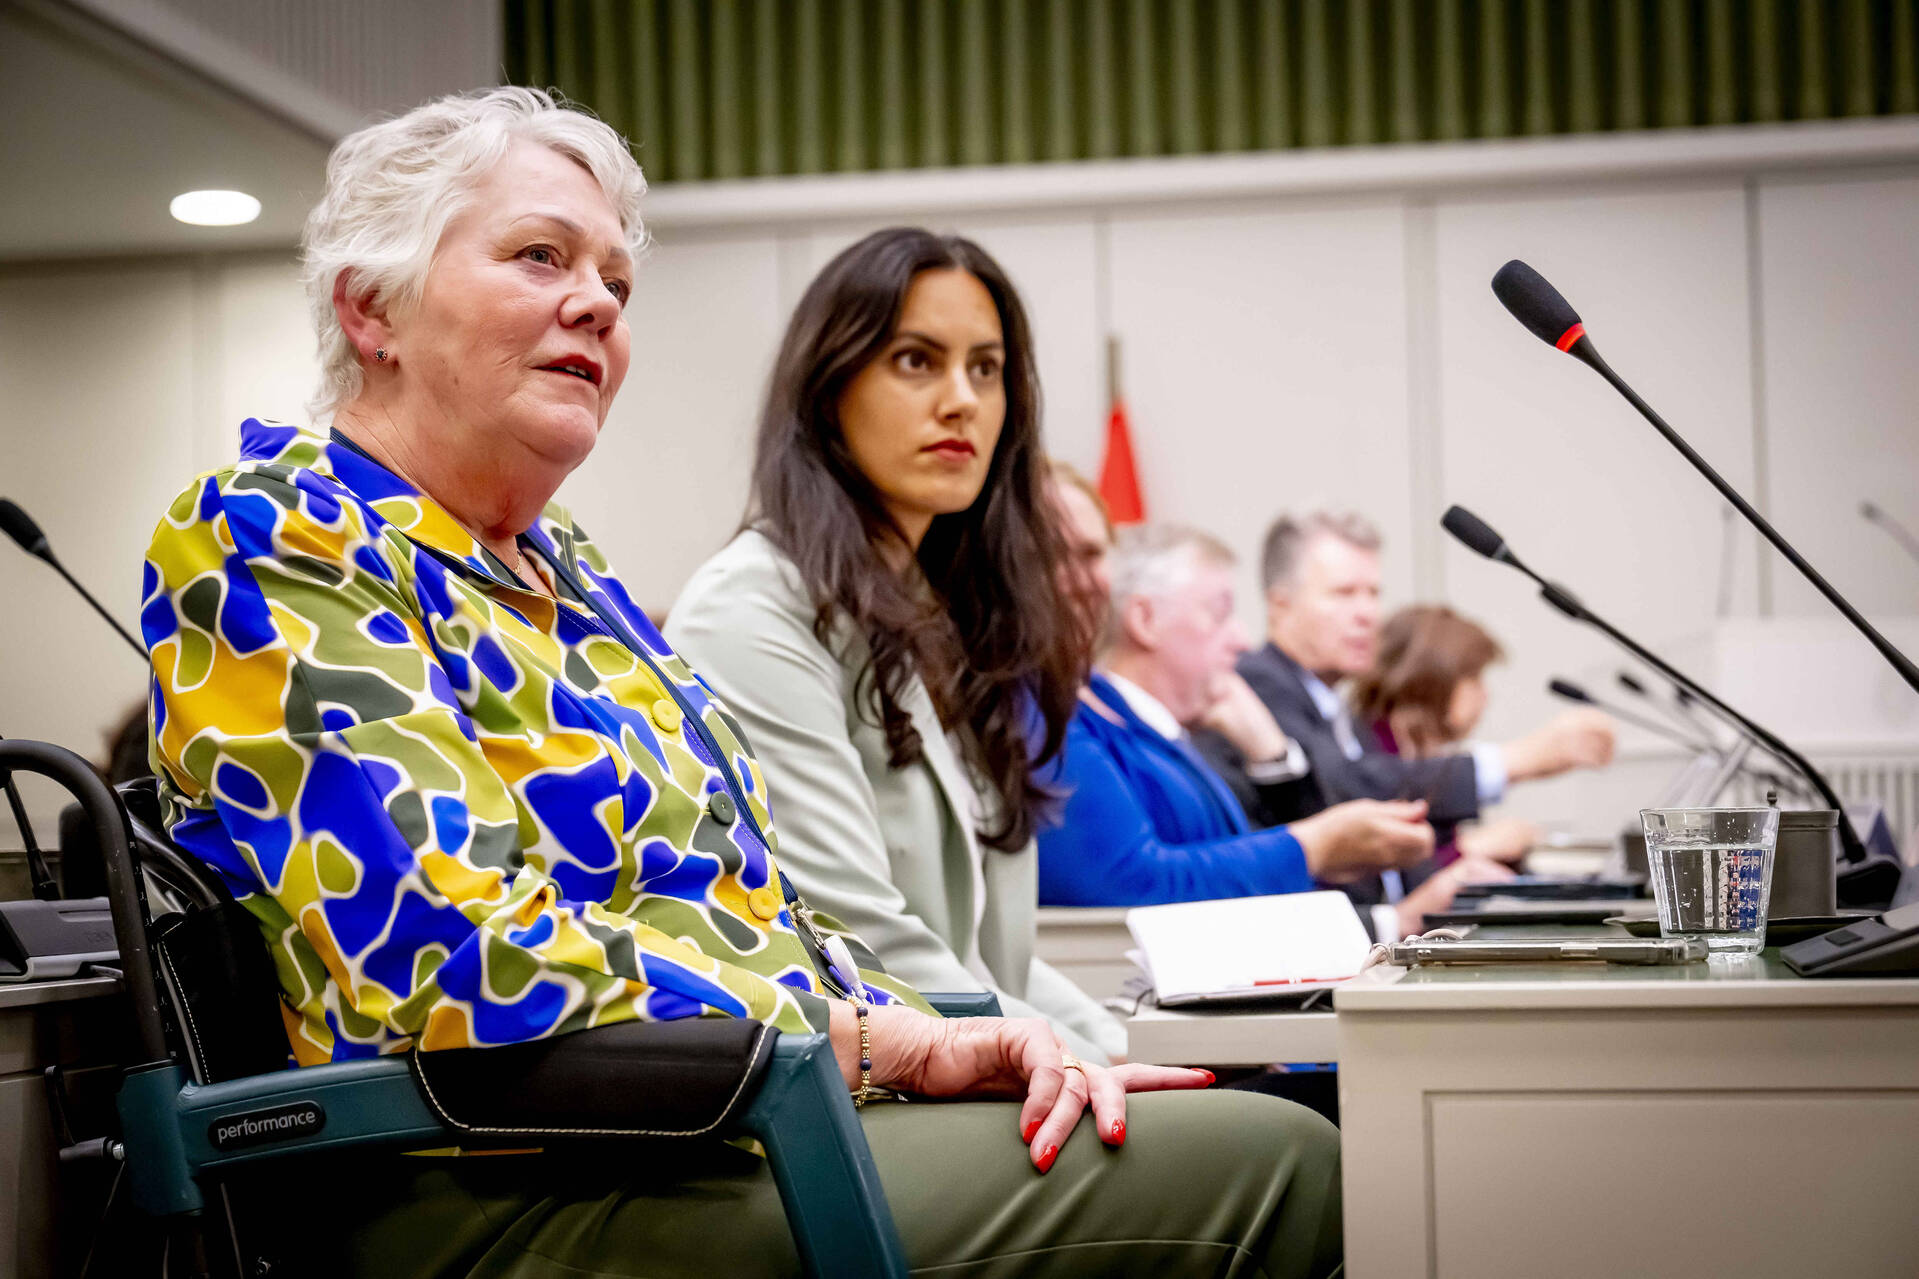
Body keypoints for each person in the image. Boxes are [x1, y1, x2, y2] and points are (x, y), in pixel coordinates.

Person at [141, 93, 1340, 1277]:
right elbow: (449, 956)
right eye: (540, 255)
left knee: (1245, 1132)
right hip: (507, 1173)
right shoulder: (272, 530)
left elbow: (769, 913)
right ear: (371, 308)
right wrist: (879, 1042)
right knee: (1289, 1162)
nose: (596, 302)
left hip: (728, 1120)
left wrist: (954, 1037)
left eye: (616, 280)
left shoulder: (563, 569)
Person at [1036, 490, 1435, 910]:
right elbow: (1136, 884)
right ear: (1145, 619)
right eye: (1220, 613)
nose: (1242, 640)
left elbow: (1231, 870)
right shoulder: (1074, 728)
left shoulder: (1168, 735)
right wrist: (1313, 847)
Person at [1198, 510, 1615, 876]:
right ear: (1280, 606)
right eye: (1344, 594)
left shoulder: (1336, 708)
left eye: (1374, 593)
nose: (1367, 614)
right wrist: (1514, 761)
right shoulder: (1257, 684)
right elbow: (1342, 789)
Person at [1350, 604, 1548, 866]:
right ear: (1432, 677)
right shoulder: (1368, 753)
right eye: (1474, 678)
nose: (1485, 694)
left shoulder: (1412, 750)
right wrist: (1473, 847)